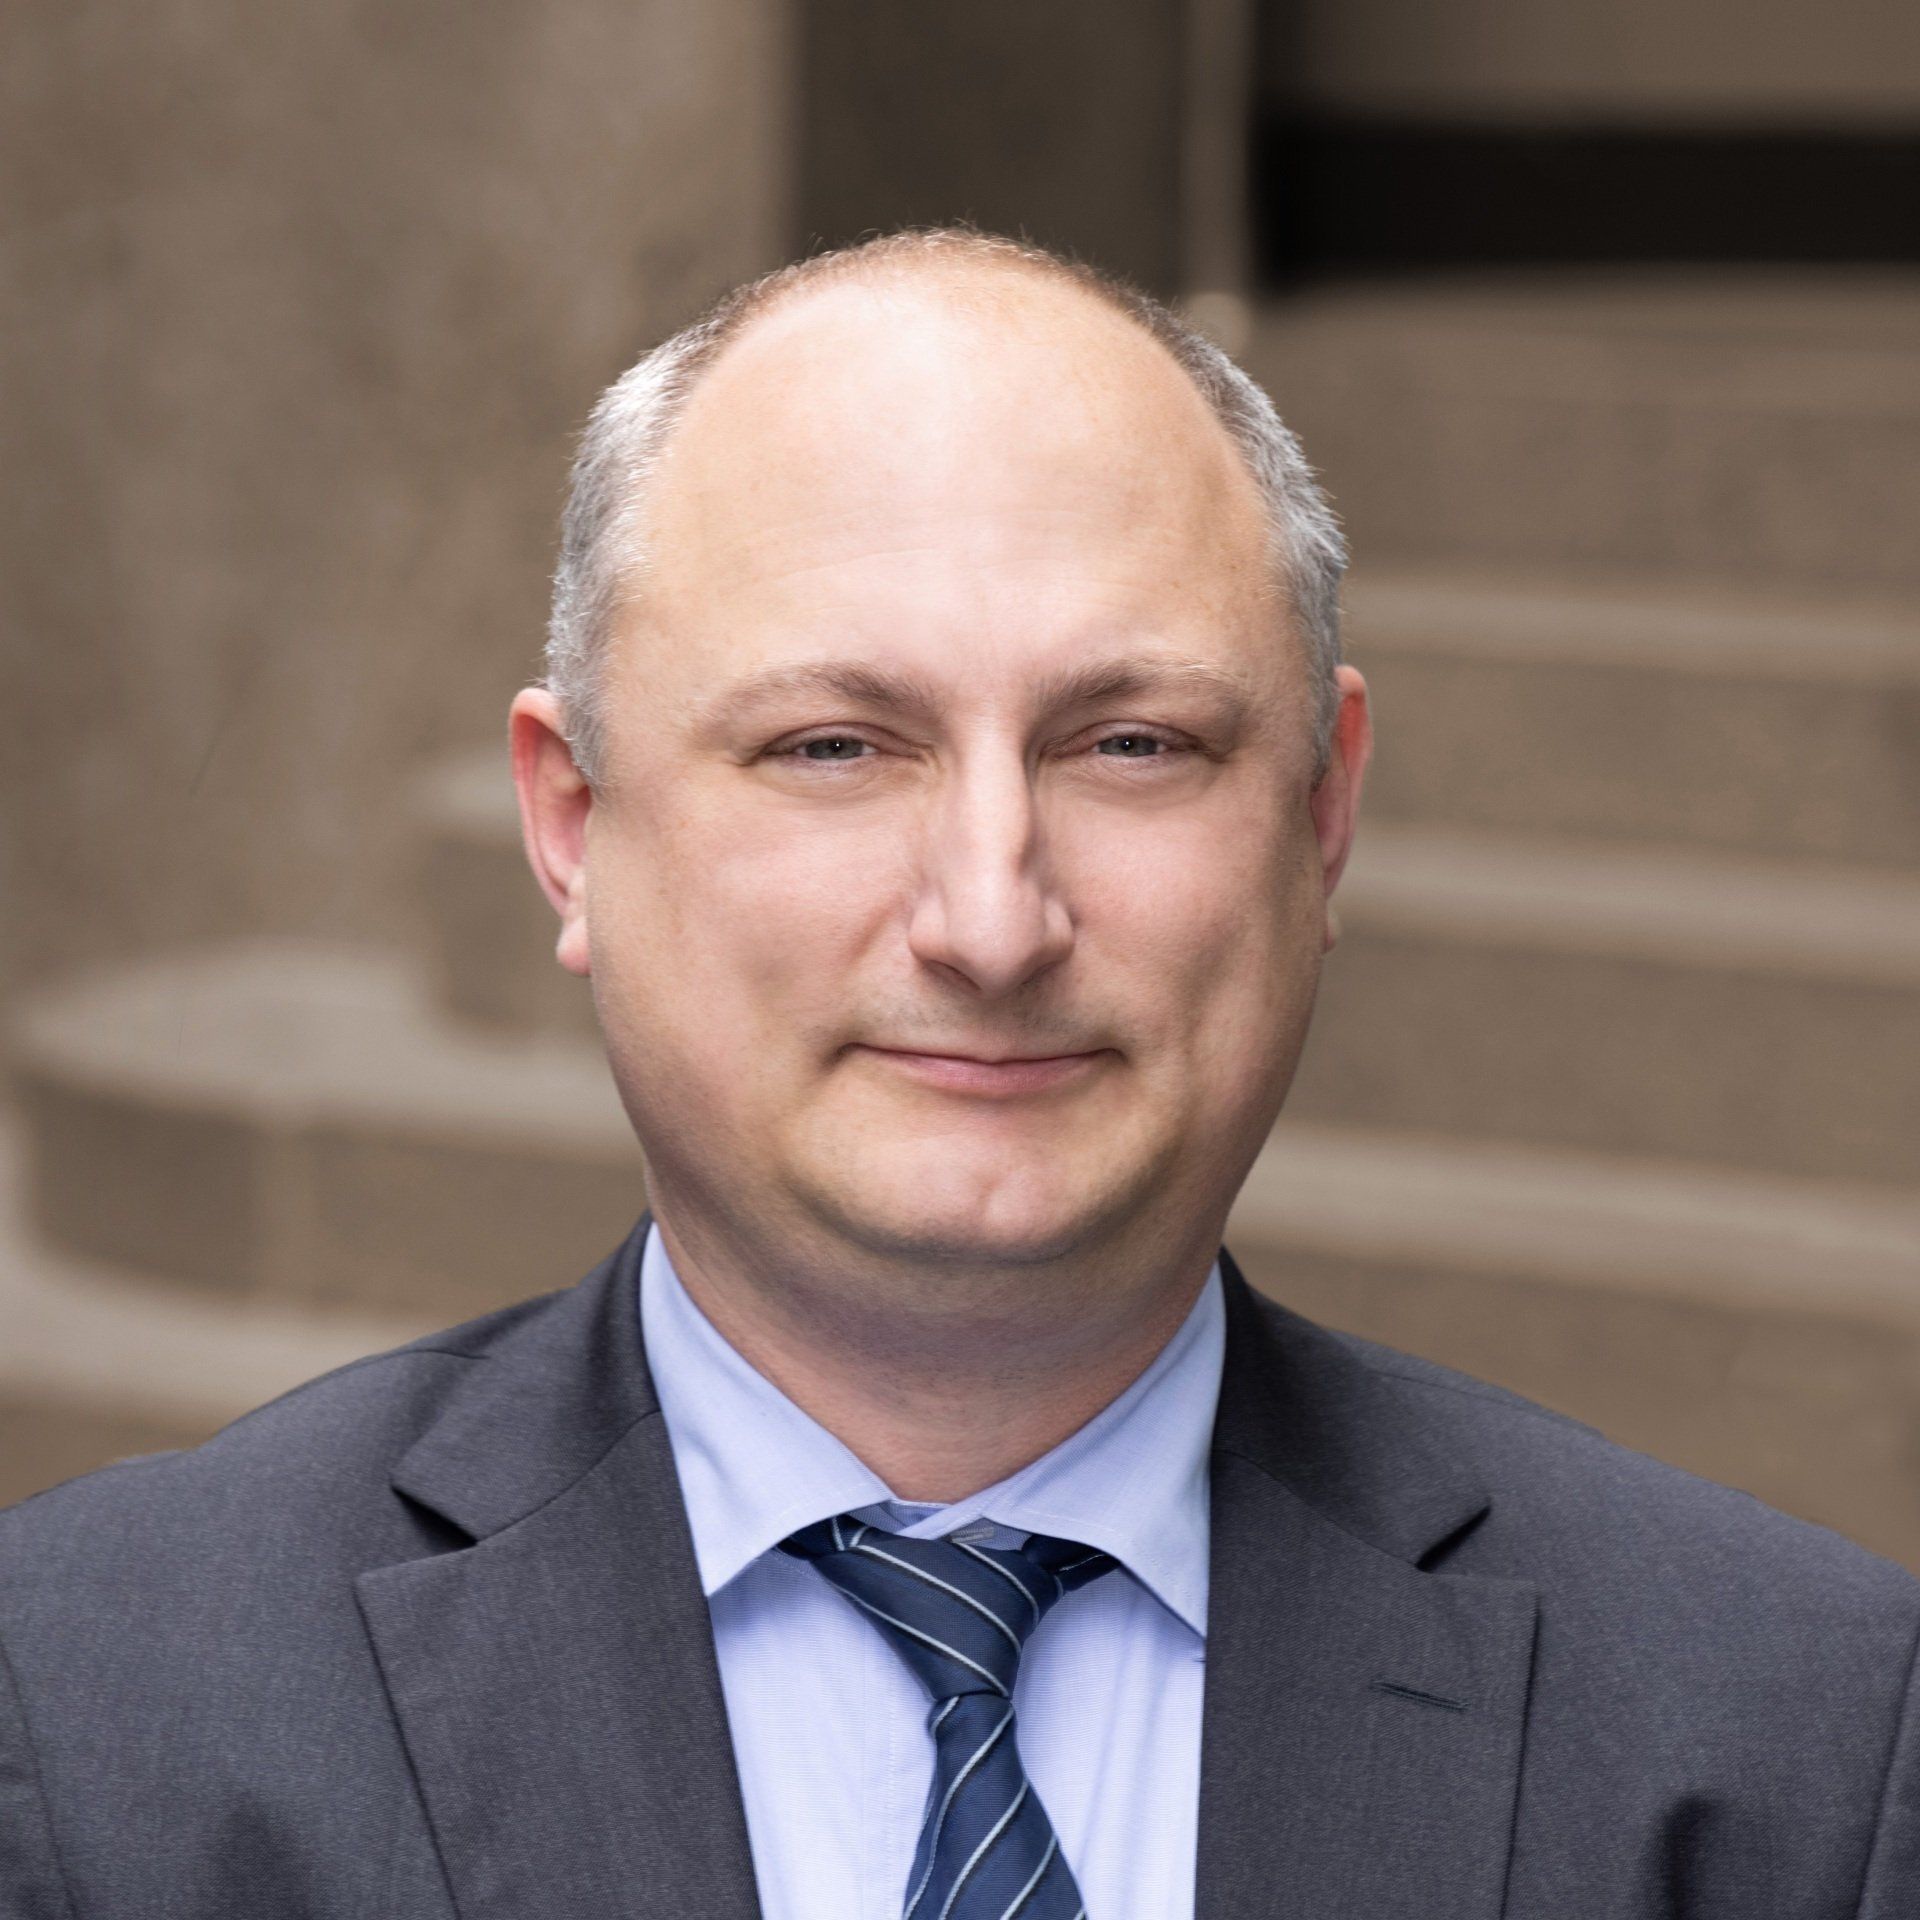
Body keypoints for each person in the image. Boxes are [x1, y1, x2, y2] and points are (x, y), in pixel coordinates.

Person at [1, 228, 1914, 1920]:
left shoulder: (1794, 1742)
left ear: (1323, 817)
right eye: (836, 746)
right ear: (574, 829)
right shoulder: (94, 1703)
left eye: (1133, 745)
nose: (992, 920)